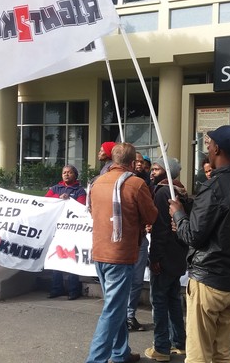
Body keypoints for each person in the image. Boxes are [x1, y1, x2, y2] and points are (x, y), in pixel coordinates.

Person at [168, 125, 230, 362]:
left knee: (198, 354)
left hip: (208, 282)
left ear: (217, 148)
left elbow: (192, 236)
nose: (207, 147)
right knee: (221, 353)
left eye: (209, 143)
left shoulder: (213, 187)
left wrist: (178, 214)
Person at [86, 142, 158, 363]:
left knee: (114, 305)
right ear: (132, 163)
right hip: (121, 253)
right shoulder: (135, 184)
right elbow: (151, 216)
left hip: (100, 250)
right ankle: (96, 359)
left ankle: (120, 352)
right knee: (113, 309)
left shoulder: (97, 182)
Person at [144, 157, 189, 362]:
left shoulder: (163, 193)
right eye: (152, 168)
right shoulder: (181, 191)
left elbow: (160, 229)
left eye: (156, 169)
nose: (152, 172)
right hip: (178, 255)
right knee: (172, 299)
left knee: (160, 301)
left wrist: (155, 257)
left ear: (167, 172)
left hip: (165, 256)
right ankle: (179, 342)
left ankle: (161, 347)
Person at [46, 164, 87, 300]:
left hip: (73, 230)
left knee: (72, 259)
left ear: (75, 175)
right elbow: (46, 202)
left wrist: (69, 200)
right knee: (56, 258)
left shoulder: (80, 191)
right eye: (64, 172)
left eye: (69, 172)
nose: (66, 174)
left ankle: (73, 290)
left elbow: (81, 207)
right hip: (57, 230)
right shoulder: (55, 188)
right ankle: (56, 289)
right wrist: (58, 199)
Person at [127, 152, 152, 332]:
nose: (138, 164)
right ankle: (124, 316)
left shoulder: (146, 182)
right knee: (128, 280)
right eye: (135, 161)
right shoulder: (128, 182)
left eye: (141, 162)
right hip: (128, 238)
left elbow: (150, 212)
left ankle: (128, 316)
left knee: (135, 281)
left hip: (139, 236)